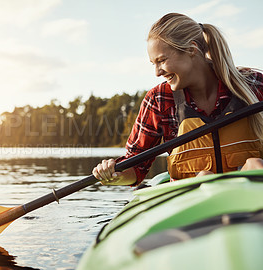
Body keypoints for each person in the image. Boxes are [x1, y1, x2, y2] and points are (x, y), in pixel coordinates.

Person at [93, 13, 263, 186]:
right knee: (204, 178)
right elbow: (136, 168)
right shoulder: (159, 99)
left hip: (252, 195)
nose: (157, 72)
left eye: (162, 60)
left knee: (255, 165)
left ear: (191, 49)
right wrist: (115, 174)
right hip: (192, 200)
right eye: (154, 63)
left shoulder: (254, 84)